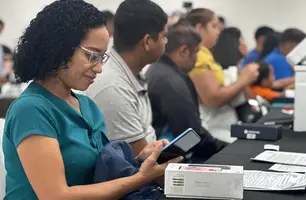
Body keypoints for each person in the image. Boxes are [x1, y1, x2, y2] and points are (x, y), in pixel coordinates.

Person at [2, 1, 180, 199]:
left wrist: (141, 162)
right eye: (92, 56)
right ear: (59, 49)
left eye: (102, 58)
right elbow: (55, 196)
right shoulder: (31, 110)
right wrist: (140, 178)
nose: (99, 68)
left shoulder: (87, 106)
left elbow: (98, 173)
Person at [86, 0, 168, 155]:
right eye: (164, 36)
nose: (166, 42)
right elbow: (141, 166)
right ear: (148, 42)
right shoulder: (114, 88)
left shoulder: (132, 73)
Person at [146, 25, 226, 160]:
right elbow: (190, 135)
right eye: (196, 52)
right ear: (184, 51)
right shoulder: (172, 82)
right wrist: (223, 149)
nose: (196, 59)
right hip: (170, 158)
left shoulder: (157, 69)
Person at [185, 8, 259, 142]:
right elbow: (213, 99)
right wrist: (243, 80)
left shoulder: (206, 54)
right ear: (199, 28)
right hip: (214, 125)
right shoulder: (199, 57)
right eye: (214, 27)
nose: (218, 32)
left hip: (225, 122)